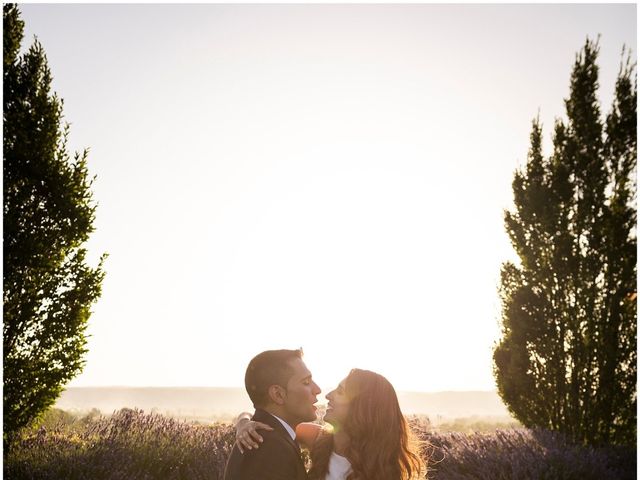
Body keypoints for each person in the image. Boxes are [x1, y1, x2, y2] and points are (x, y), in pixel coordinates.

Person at [235, 368, 426, 480]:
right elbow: (270, 421)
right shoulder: (319, 439)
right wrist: (244, 424)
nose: (327, 395)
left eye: (340, 391)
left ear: (362, 408)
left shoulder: (385, 469)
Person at [223, 348, 322, 480]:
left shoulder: (271, 437)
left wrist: (243, 420)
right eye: (306, 382)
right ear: (278, 394)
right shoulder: (270, 447)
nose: (317, 390)